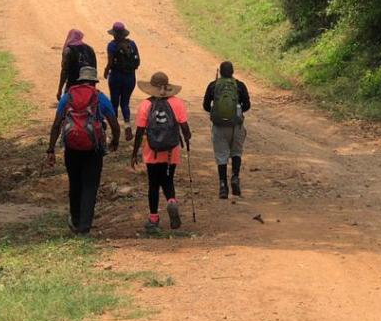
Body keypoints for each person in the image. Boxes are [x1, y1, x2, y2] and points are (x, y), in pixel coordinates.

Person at [47, 65, 120, 234]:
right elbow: (115, 125)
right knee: (90, 186)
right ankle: (85, 226)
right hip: (94, 149)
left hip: (71, 148)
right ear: (94, 82)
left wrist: (50, 149)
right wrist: (115, 141)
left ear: (80, 80)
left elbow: (57, 124)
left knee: (75, 183)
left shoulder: (68, 97)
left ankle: (75, 220)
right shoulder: (100, 98)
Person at [131, 71, 192, 233]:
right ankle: (171, 201)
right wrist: (187, 139)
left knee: (153, 184)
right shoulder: (177, 103)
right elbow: (185, 128)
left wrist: (134, 152)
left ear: (152, 88)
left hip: (152, 150)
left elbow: (140, 131)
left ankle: (153, 218)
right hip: (172, 150)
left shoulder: (145, 105)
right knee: (168, 180)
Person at [202, 61, 251, 199]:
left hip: (219, 126)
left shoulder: (213, 85)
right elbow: (247, 105)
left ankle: (223, 186)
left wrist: (217, 112)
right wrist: (236, 111)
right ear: (233, 72)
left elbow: (206, 106)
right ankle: (235, 176)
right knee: (236, 152)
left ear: (220, 72)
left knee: (221, 156)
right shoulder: (240, 85)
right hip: (236, 125)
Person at [104, 21, 141, 142]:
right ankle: (127, 125)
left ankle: (114, 131)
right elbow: (138, 61)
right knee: (125, 103)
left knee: (114, 103)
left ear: (114, 34)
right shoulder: (132, 44)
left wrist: (106, 71)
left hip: (116, 76)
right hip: (130, 77)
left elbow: (110, 62)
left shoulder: (112, 45)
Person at [57, 29, 97, 100]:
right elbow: (94, 69)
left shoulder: (68, 51)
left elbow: (64, 71)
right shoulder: (90, 49)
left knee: (69, 103)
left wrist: (59, 90)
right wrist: (93, 87)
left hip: (73, 84)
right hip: (88, 84)